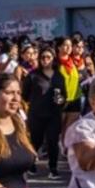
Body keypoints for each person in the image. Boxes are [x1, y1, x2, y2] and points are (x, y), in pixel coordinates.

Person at [24, 47, 65, 179]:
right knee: (36, 141)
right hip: (37, 113)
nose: (45, 60)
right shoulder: (33, 75)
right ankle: (30, 164)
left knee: (53, 141)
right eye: (43, 57)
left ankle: (53, 168)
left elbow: (64, 95)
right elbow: (25, 95)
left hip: (54, 113)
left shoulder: (59, 76)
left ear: (53, 59)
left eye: (48, 57)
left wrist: (61, 100)